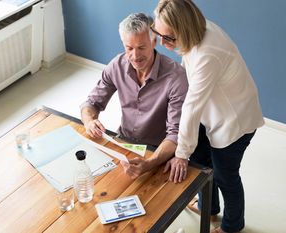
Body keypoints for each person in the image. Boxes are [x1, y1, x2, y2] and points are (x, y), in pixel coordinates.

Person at [153, 1, 264, 233]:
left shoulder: (209, 53)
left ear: (184, 29)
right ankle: (209, 207)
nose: (163, 43)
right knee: (203, 160)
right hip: (212, 113)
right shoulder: (196, 32)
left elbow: (192, 106)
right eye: (158, 34)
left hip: (235, 121)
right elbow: (189, 80)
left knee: (226, 176)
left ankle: (232, 227)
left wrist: (180, 155)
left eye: (169, 37)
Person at [80, 13, 188, 179]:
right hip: (124, 141)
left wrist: (150, 163)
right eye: (129, 48)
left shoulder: (176, 77)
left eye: (141, 47)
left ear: (154, 41)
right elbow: (91, 103)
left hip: (158, 152)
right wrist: (89, 121)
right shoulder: (117, 65)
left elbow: (175, 134)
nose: (135, 56)